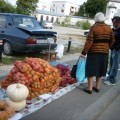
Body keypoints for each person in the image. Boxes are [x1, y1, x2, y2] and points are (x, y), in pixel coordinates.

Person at [80, 12, 115, 94]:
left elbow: (89, 41)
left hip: (93, 53)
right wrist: (107, 47)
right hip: (104, 52)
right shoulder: (108, 28)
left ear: (96, 18)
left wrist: (84, 52)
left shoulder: (94, 28)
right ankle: (97, 87)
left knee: (91, 70)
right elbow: (113, 40)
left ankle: (89, 88)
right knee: (101, 70)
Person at [104, 17, 120, 85]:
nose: (113, 24)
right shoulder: (113, 29)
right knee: (111, 63)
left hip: (117, 50)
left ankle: (112, 80)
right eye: (113, 22)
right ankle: (109, 76)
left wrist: (116, 47)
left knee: (115, 65)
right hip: (112, 49)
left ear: (119, 23)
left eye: (115, 22)